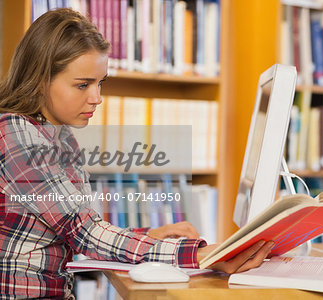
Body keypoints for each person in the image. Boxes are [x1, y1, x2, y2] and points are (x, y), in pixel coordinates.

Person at [0, 8, 273, 299]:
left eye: (99, 83)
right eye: (83, 85)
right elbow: (83, 232)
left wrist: (146, 236)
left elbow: (77, 226)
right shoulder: (15, 133)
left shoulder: (60, 135)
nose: (97, 98)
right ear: (41, 80)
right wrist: (201, 255)